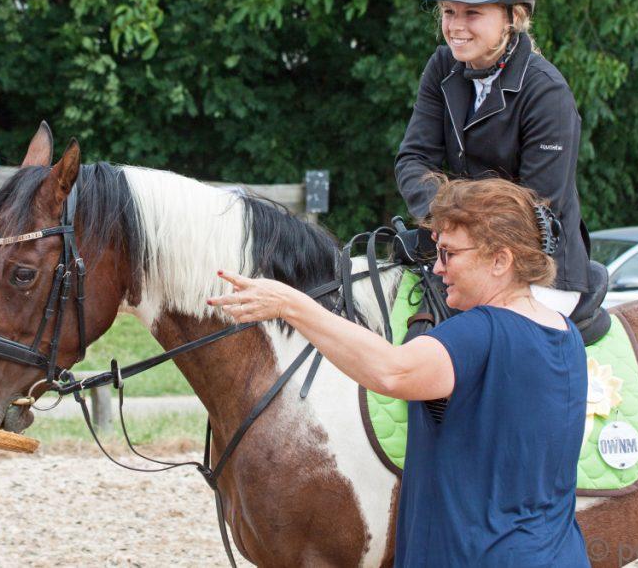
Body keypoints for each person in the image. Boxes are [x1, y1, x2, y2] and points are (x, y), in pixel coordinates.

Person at [208, 177, 589, 567]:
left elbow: (392, 372)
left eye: (449, 253)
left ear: (500, 260)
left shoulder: (480, 331)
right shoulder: (565, 332)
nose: (437, 268)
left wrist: (291, 305)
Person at [395, 0, 591, 316]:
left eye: (472, 13)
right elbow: (413, 160)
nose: (455, 27)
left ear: (513, 17)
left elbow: (534, 207)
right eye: (448, 12)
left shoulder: (547, 92)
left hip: (537, 269)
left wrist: (454, 223)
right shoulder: (442, 67)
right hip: (461, 254)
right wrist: (445, 220)